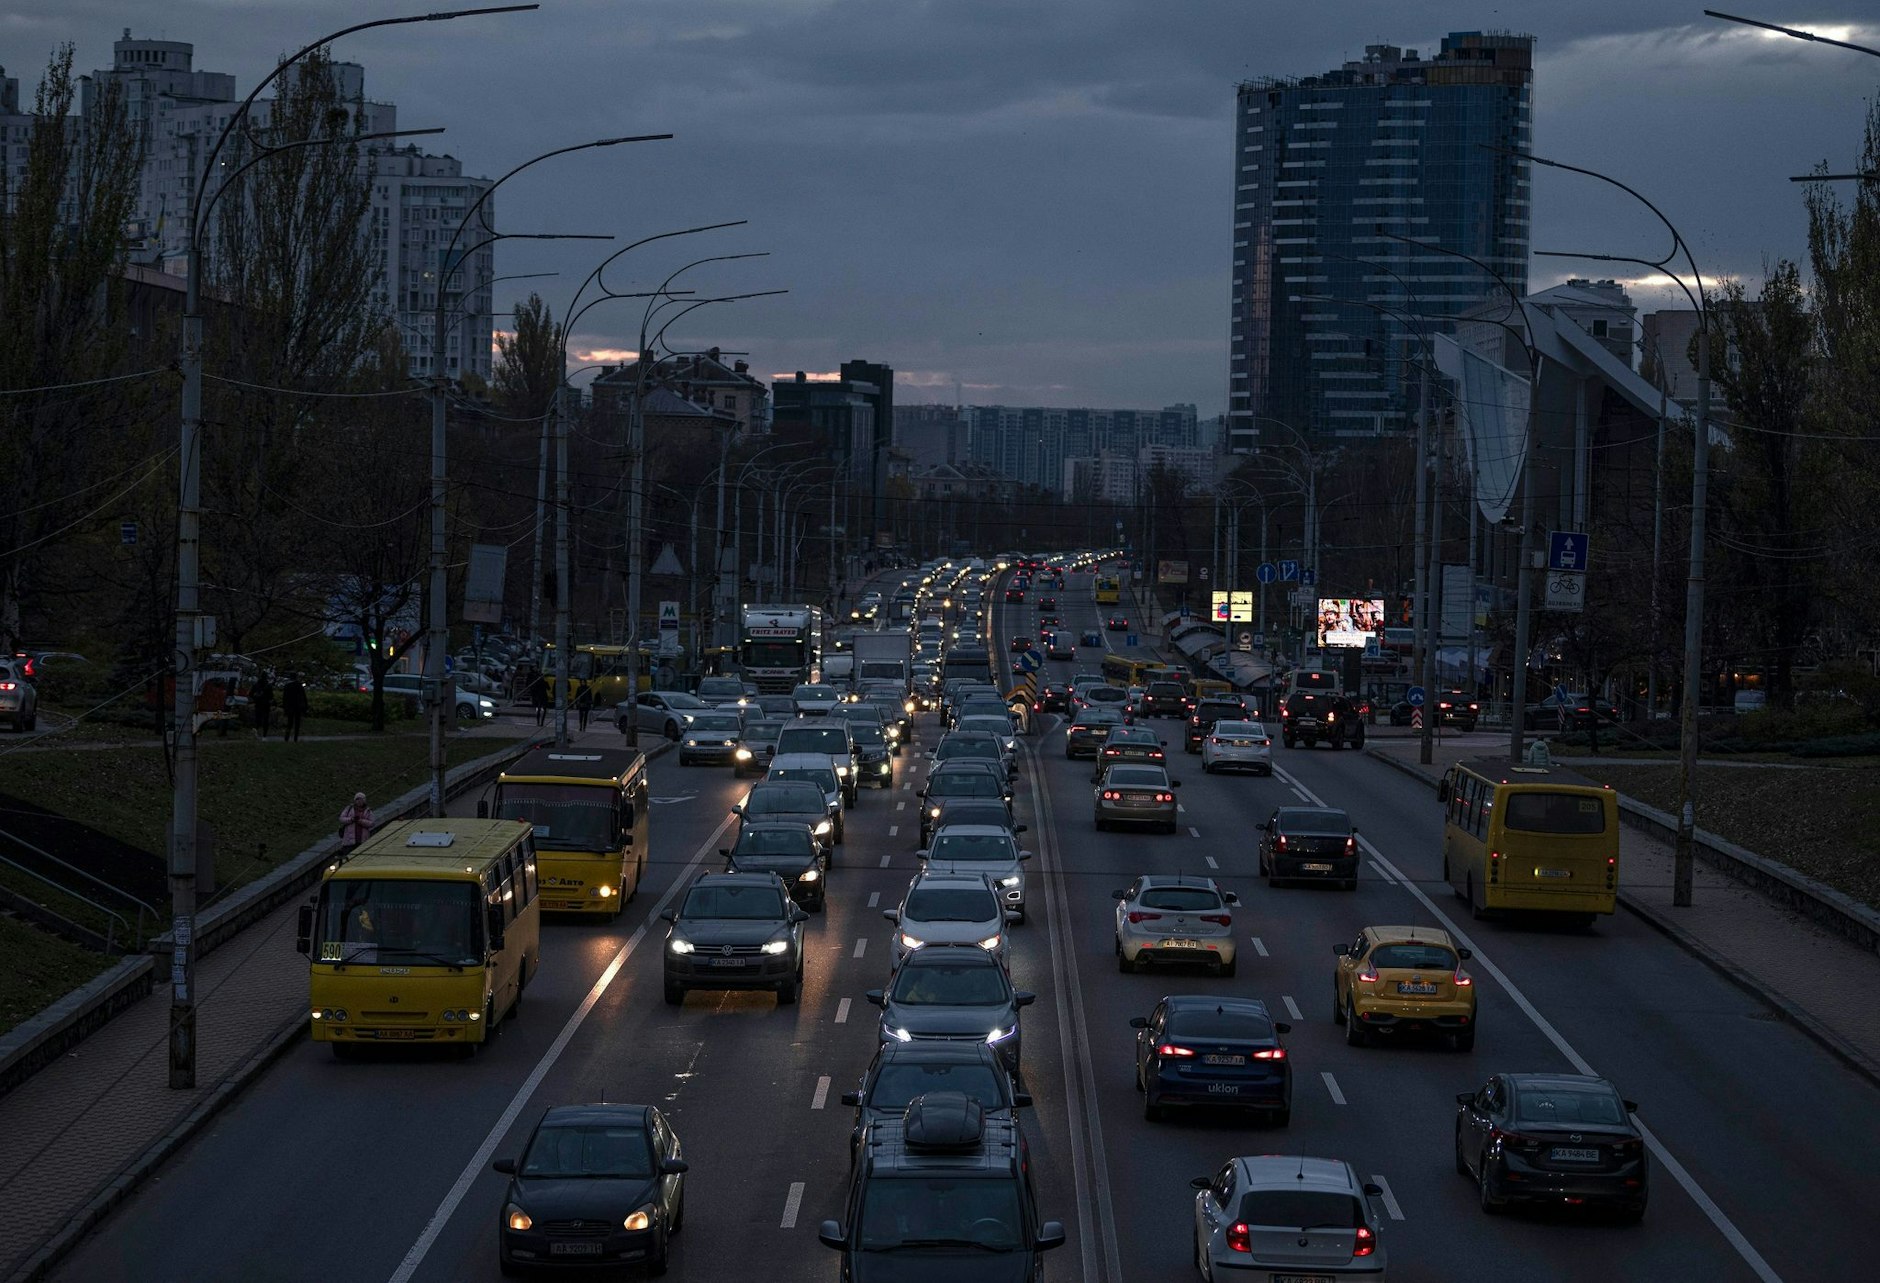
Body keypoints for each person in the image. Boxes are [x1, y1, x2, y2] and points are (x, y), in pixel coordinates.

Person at [281, 675, 309, 741]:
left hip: (290, 706)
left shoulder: (287, 686)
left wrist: (285, 707)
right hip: (298, 706)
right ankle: (295, 737)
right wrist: (305, 706)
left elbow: (284, 698)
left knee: (289, 722)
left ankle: (286, 737)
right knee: (297, 723)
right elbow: (303, 697)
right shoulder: (299, 686)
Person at [251, 671, 274, 738]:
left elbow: (251, 694)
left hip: (258, 703)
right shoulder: (268, 686)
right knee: (266, 720)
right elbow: (271, 696)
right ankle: (264, 735)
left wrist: (255, 696)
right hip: (266, 705)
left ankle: (256, 731)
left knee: (257, 719)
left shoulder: (256, 685)